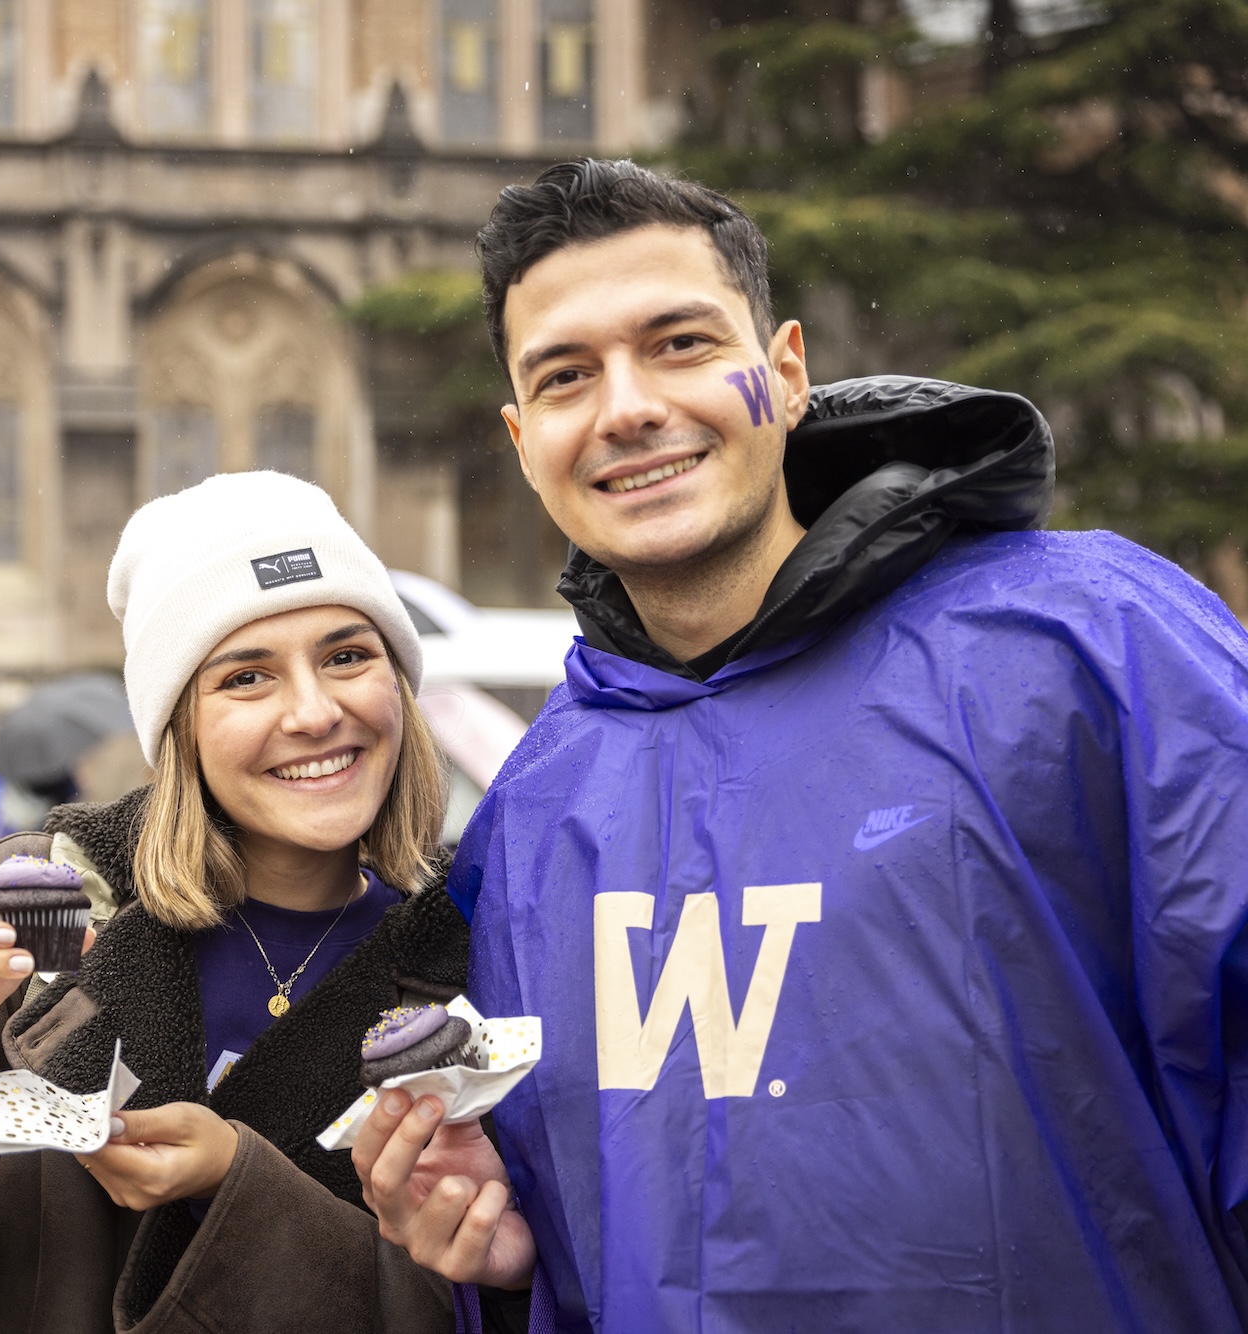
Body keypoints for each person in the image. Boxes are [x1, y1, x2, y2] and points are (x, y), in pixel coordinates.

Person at [355, 158, 1248, 1331]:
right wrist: (510, 1260)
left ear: (782, 372)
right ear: (524, 440)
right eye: (566, 375)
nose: (625, 405)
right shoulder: (531, 816)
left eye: (677, 342)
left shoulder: (1088, 646)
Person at [0, 471, 473, 1333]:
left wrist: (236, 1188)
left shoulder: (463, 963)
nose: (313, 712)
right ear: (177, 726)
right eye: (246, 678)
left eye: (347, 656)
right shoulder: (19, 901)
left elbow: (493, 1303)